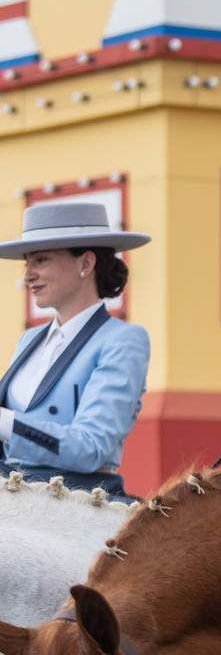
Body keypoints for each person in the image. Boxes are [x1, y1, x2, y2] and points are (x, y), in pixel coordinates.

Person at [0, 200, 151, 497]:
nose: (27, 274)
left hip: (74, 500)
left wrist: (5, 423)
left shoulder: (123, 339)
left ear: (85, 264)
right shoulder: (29, 340)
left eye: (41, 260)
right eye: (27, 262)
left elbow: (91, 446)